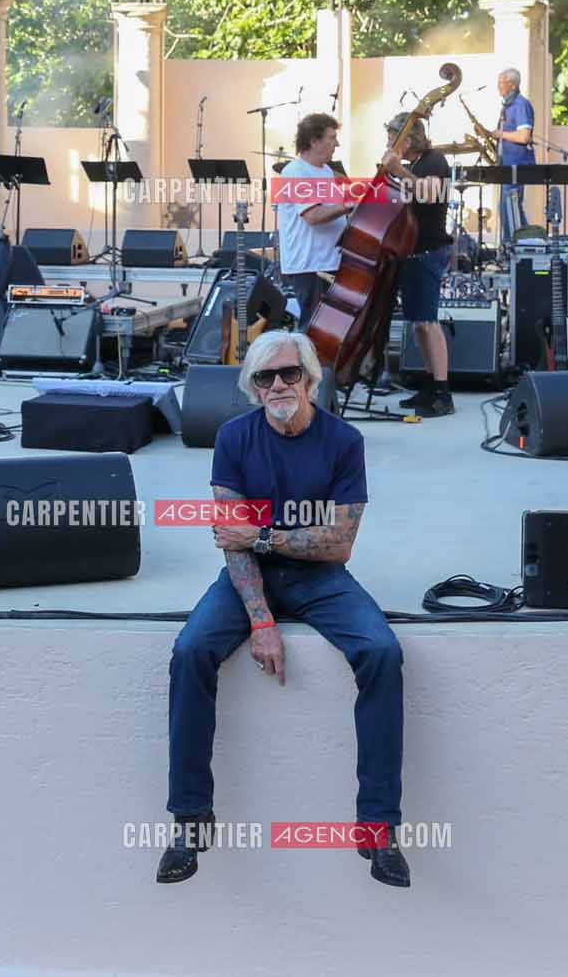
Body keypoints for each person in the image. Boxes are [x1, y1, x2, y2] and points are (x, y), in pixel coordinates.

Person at [159, 328, 408, 889]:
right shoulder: (233, 437)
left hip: (322, 578)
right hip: (249, 578)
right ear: (252, 384)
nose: (278, 385)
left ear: (310, 379)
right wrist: (262, 619)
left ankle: (378, 828)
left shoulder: (343, 441)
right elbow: (230, 537)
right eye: (266, 376)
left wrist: (265, 536)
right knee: (191, 650)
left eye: (289, 373)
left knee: (381, 651)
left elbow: (339, 544)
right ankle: (190, 817)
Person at [378, 113, 453, 418]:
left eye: (392, 138)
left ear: (407, 140)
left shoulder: (434, 160)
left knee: (428, 322)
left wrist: (398, 171)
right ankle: (427, 386)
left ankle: (442, 392)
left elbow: (432, 193)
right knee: (418, 323)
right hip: (411, 250)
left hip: (428, 250)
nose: (388, 144)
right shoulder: (417, 165)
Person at [274, 112, 351, 323]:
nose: (337, 143)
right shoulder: (296, 172)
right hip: (310, 266)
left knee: (332, 328)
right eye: (332, 138)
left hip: (330, 262)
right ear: (314, 141)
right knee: (315, 328)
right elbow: (313, 216)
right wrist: (349, 205)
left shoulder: (326, 171)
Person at [491, 67, 536, 242]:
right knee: (511, 208)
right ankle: (526, 244)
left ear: (513, 84)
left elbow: (524, 136)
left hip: (517, 165)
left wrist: (499, 134)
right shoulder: (508, 106)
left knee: (509, 207)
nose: (498, 86)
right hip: (507, 165)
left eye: (502, 82)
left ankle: (515, 247)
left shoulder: (520, 105)